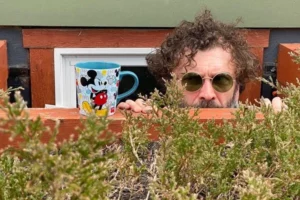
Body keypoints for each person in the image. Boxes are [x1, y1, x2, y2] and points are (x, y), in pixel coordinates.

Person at [118, 10, 283, 113]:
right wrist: (135, 130)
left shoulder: (254, 139)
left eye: (221, 80)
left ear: (237, 88)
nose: (207, 94)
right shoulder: (155, 129)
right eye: (191, 80)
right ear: (169, 85)